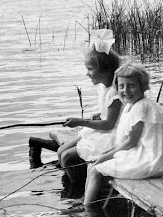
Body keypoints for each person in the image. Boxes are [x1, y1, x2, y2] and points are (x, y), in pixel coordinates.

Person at [83, 63, 163, 207]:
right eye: (121, 86)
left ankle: (88, 207)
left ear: (143, 86)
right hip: (149, 156)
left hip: (149, 160)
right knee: (93, 164)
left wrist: (106, 156)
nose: (126, 91)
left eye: (131, 86)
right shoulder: (136, 105)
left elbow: (131, 142)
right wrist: (108, 153)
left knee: (95, 170)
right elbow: (131, 142)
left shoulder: (140, 107)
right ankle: (88, 199)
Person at [52, 30, 123, 192]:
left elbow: (109, 124)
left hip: (111, 134)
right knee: (61, 151)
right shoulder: (102, 87)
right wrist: (98, 115)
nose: (87, 73)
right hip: (103, 128)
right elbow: (106, 115)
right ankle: (79, 182)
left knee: (67, 156)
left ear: (104, 70)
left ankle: (79, 189)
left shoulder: (115, 92)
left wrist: (80, 121)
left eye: (90, 69)